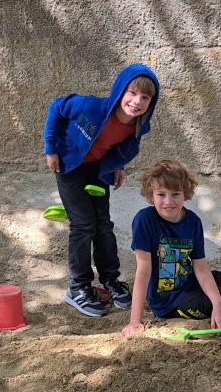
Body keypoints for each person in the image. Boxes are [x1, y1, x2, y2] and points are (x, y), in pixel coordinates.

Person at [44, 64, 160, 317]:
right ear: (120, 90)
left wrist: (117, 166)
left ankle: (110, 280)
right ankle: (78, 288)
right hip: (69, 166)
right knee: (83, 225)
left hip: (97, 170)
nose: (137, 101)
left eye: (145, 97)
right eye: (132, 93)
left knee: (103, 225)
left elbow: (119, 148)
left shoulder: (138, 125)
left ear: (151, 103)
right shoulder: (90, 107)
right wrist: (50, 149)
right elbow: (56, 108)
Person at [122, 160, 221, 336]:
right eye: (161, 194)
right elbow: (143, 272)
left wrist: (217, 303)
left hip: (191, 280)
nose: (168, 201)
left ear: (185, 195)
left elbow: (200, 267)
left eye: (175, 194)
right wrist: (135, 321)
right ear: (151, 195)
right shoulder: (144, 220)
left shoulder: (193, 221)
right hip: (171, 300)